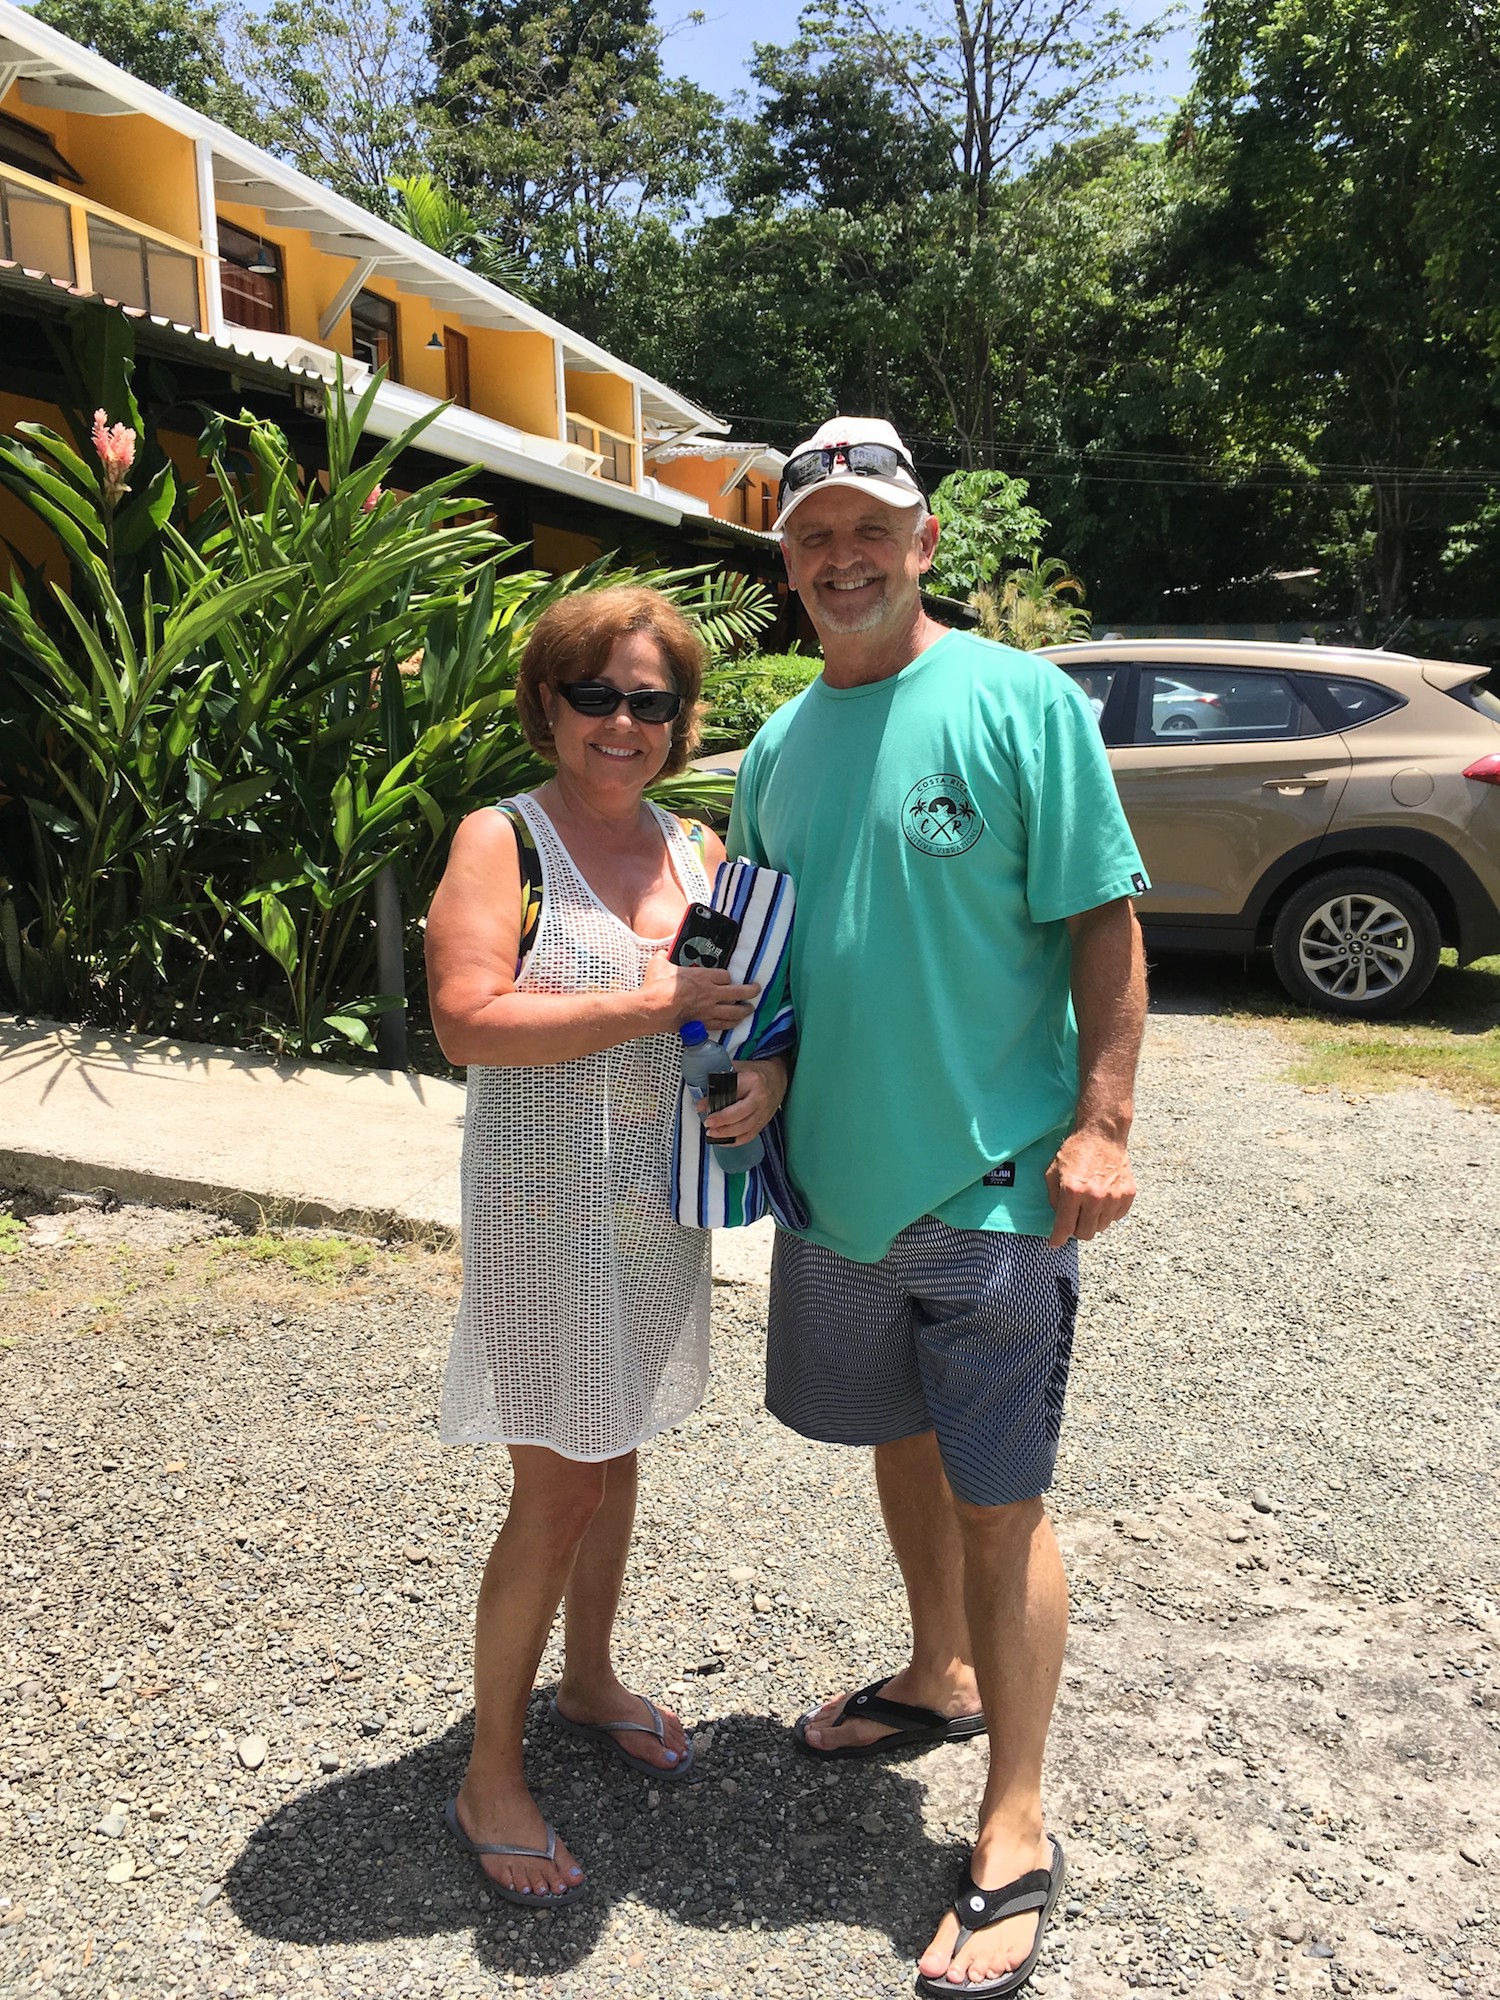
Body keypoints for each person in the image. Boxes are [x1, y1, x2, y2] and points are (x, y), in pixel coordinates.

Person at [727, 419, 1148, 1996]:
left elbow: (1104, 925)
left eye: (869, 530)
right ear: (789, 565)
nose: (842, 556)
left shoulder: (1019, 702)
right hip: (831, 1186)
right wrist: (755, 1079)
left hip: (990, 1185)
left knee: (1001, 1494)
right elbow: (769, 962)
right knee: (899, 1438)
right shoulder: (777, 745)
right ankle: (938, 1668)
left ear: (921, 545)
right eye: (812, 534)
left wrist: (1103, 1123)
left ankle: (1016, 1826)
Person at [424, 585, 784, 1909]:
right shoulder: (501, 840)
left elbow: (740, 1014)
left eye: (651, 700)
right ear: (548, 703)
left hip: (653, 1206)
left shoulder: (697, 850)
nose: (623, 722)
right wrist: (652, 1000)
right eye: (597, 695)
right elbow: (469, 1020)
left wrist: (769, 1080)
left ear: (681, 720)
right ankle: (490, 1773)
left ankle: (586, 1681)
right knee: (560, 1484)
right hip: (539, 1207)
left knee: (615, 1451)